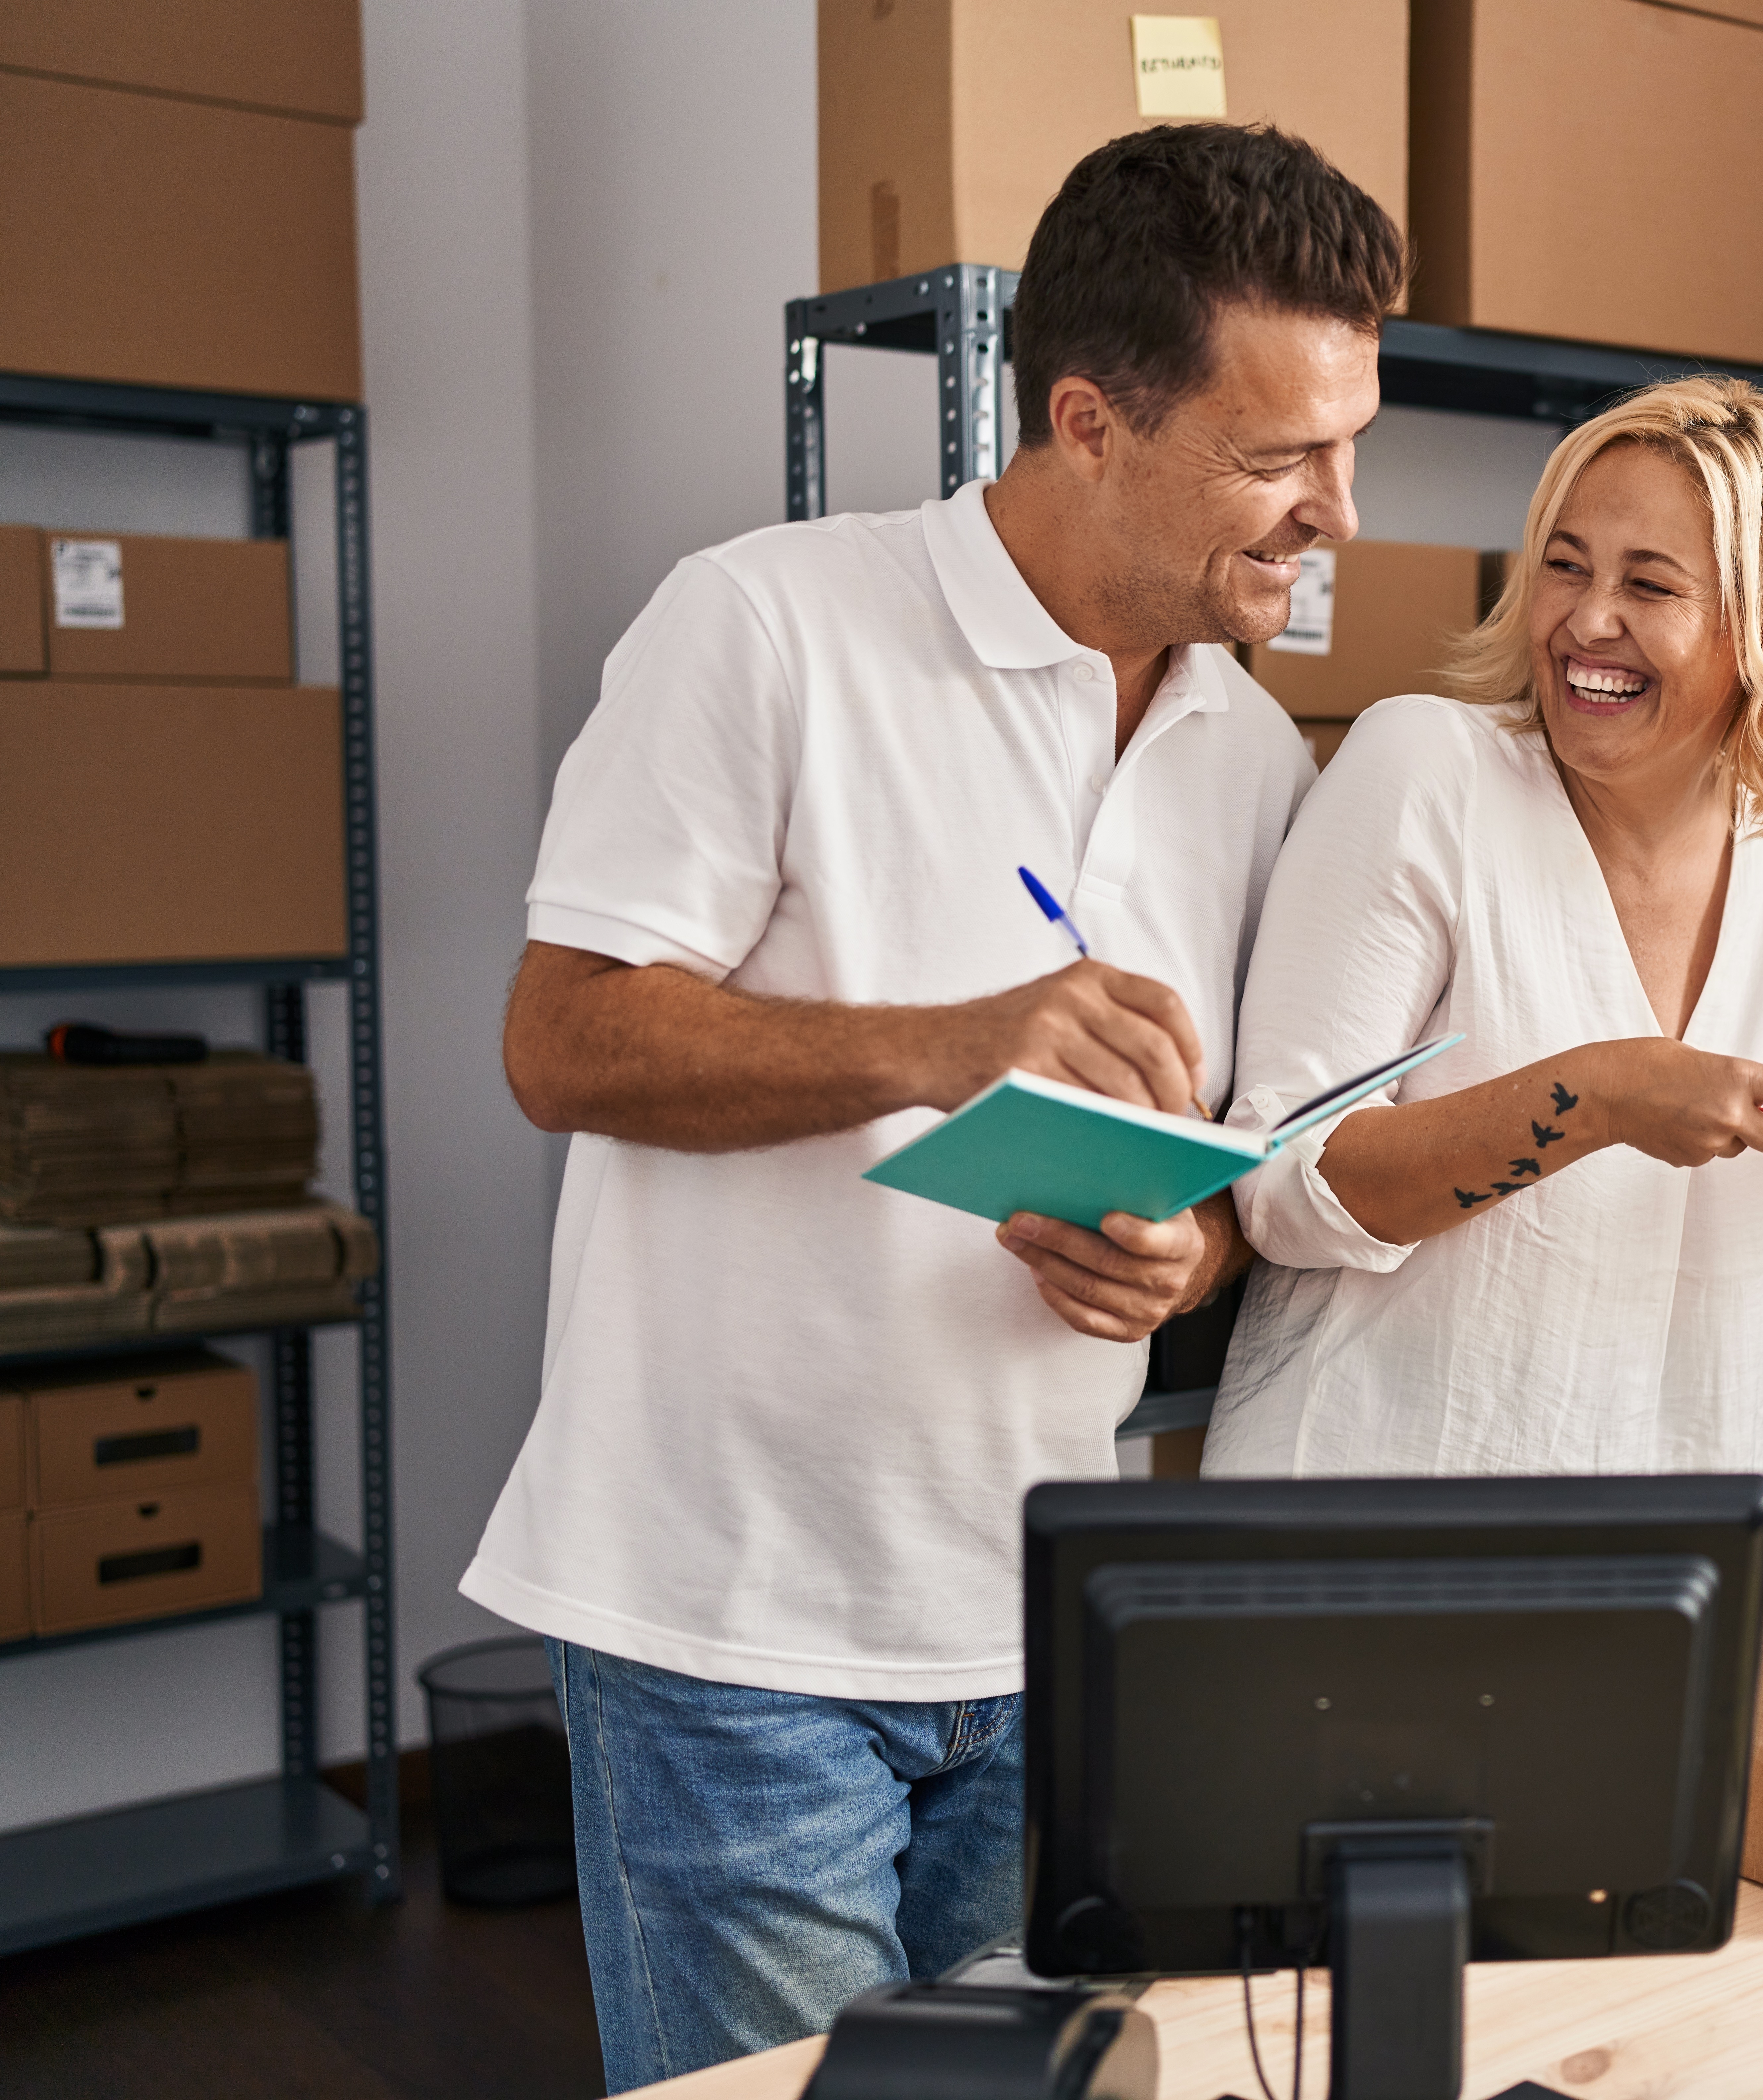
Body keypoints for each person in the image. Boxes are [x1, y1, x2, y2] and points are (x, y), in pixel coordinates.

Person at [464, 127, 1403, 2088]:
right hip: (732, 1632)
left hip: (1036, 1618)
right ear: (1087, 421)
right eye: (1277, 456)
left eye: (1350, 444)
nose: (1337, 513)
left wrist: (1183, 1249)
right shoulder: (767, 625)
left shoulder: (1253, 749)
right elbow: (564, 1043)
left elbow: (1223, 1177)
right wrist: (945, 1042)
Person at [1202, 378, 1763, 1480]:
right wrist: (1599, 1096)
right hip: (1370, 1527)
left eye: (1650, 585)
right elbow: (1286, 1183)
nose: (1587, 621)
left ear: (1761, 627)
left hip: (1661, 1531)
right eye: (1564, 564)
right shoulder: (1426, 773)